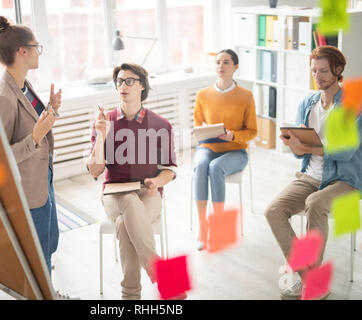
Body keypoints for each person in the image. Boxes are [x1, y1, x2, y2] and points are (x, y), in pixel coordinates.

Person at [264, 45, 362, 300]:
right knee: (273, 210)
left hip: (344, 180)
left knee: (315, 203)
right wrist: (294, 144)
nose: (317, 76)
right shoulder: (308, 103)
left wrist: (305, 145)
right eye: (313, 71)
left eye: (323, 71)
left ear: (338, 70)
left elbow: (345, 152)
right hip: (309, 176)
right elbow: (301, 154)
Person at [86, 63, 184, 300]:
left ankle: (129, 296)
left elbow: (169, 171)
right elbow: (95, 171)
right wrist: (101, 136)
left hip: (148, 193)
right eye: (120, 81)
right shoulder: (105, 122)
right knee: (128, 203)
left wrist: (155, 181)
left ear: (142, 86)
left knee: (123, 224)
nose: (123, 86)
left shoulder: (161, 125)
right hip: (114, 194)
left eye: (130, 81)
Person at [0, 16, 61, 278]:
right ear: (22, 51)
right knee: (38, 255)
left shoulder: (22, 84)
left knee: (50, 241)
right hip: (26, 189)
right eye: (36, 46)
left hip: (43, 178)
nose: (38, 51)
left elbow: (34, 124)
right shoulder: (3, 97)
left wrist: (51, 109)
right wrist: (33, 139)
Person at [193, 49, 257, 250]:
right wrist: (205, 133)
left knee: (215, 168)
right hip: (208, 146)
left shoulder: (246, 96)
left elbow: (252, 131)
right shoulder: (203, 95)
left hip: (236, 151)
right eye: (218, 62)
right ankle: (203, 227)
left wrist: (233, 136)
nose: (221, 66)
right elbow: (197, 126)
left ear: (235, 67)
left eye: (226, 62)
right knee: (202, 165)